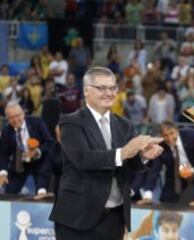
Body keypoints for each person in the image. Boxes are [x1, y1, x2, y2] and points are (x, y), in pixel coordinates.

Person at [49, 66, 164, 240]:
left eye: (112, 88)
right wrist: (124, 151)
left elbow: (129, 164)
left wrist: (143, 157)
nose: (109, 93)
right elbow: (82, 159)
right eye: (101, 88)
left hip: (114, 219)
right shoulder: (70, 122)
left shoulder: (124, 124)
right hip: (77, 218)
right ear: (86, 91)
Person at [140, 121, 194, 204]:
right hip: (174, 175)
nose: (170, 138)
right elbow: (154, 170)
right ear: (161, 136)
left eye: (171, 133)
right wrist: (148, 195)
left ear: (177, 130)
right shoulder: (160, 147)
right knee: (165, 200)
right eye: (165, 135)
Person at [0, 102, 54, 195]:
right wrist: (3, 173)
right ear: (7, 119)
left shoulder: (37, 122)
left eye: (17, 115)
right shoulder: (6, 131)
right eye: (11, 117)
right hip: (19, 163)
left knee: (41, 192)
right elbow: (3, 154)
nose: (15, 119)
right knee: (9, 192)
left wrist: (37, 151)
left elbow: (49, 142)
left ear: (23, 114)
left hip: (40, 162)